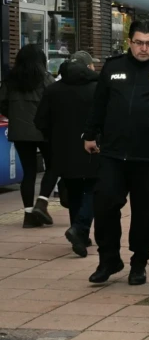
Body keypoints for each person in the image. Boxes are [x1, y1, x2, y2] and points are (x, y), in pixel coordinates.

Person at [83, 19, 149, 285]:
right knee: (105, 205)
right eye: (139, 43)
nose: (144, 48)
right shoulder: (113, 67)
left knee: (143, 213)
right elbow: (99, 104)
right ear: (129, 42)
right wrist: (90, 134)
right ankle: (108, 260)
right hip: (113, 153)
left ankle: (139, 262)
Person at [34, 52, 100, 257]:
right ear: (88, 68)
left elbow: (40, 120)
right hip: (92, 147)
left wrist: (54, 137)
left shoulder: (53, 90)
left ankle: (79, 233)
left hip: (62, 150)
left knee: (73, 190)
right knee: (93, 189)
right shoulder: (97, 89)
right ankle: (79, 229)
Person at [0, 45, 57, 228]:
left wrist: (15, 117)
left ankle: (28, 215)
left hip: (19, 132)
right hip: (44, 130)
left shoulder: (9, 81)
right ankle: (41, 202)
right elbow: (55, 102)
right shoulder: (46, 79)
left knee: (29, 172)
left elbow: (2, 104)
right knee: (54, 165)